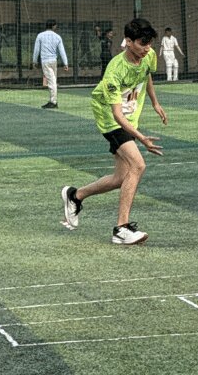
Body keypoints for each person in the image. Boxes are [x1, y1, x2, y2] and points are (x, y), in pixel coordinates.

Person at [60, 18, 168, 245]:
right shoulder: (114, 70)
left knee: (120, 178)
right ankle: (121, 228)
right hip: (109, 116)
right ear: (128, 41)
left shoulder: (148, 55)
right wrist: (142, 138)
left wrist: (155, 102)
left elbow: (146, 74)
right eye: (142, 43)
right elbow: (117, 115)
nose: (147, 48)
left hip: (129, 116)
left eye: (150, 43)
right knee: (138, 165)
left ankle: (75, 196)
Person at [32, 19, 69, 108]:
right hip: (53, 61)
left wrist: (34, 61)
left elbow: (36, 49)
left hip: (45, 61)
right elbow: (62, 51)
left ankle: (53, 102)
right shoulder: (57, 36)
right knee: (53, 80)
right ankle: (53, 100)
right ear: (54, 26)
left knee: (51, 81)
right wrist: (65, 63)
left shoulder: (40, 35)